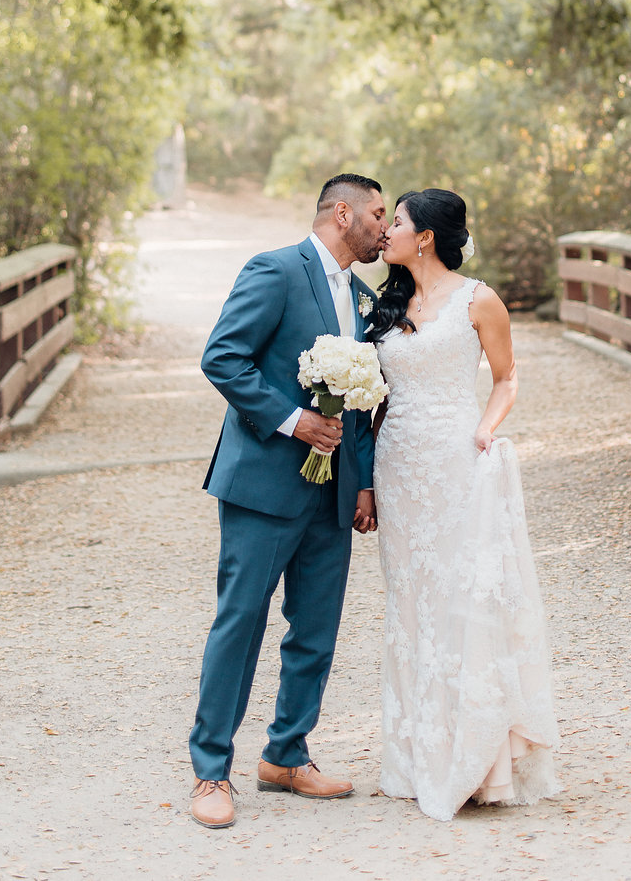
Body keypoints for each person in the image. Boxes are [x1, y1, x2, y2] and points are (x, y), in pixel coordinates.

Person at [188, 173, 386, 830]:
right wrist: (291, 421)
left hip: (331, 492)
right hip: (264, 485)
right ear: (342, 213)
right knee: (240, 624)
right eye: (377, 215)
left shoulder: (358, 294)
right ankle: (212, 770)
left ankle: (286, 753)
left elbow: (355, 395)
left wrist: (362, 481)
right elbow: (223, 358)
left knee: (317, 629)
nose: (385, 227)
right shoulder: (274, 270)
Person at [370, 188, 558, 823]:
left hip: (455, 462)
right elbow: (377, 397)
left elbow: (506, 377)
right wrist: (365, 482)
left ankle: (479, 759)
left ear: (424, 236)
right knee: (412, 603)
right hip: (397, 467)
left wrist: (487, 427)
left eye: (393, 222)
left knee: (461, 599)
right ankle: (419, 753)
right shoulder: (386, 303)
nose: (384, 232)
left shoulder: (479, 300)